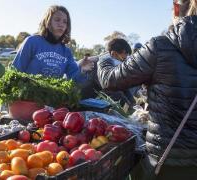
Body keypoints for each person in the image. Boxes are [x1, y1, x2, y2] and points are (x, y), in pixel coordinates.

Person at [97, 0, 197, 179]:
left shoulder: (160, 46)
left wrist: (105, 58)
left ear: (176, 7)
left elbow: (110, 79)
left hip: (167, 162)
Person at [12, 5, 85, 83]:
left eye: (65, 22)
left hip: (53, 94)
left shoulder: (66, 51)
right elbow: (15, 71)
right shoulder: (32, 42)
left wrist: (82, 70)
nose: (61, 24)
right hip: (27, 93)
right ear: (48, 22)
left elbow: (74, 78)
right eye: (57, 20)